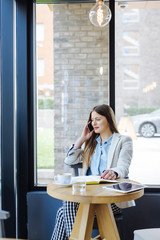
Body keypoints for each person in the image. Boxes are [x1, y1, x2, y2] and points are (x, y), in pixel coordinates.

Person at [51, 104, 134, 240]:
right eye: (92, 120)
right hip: (87, 197)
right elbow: (69, 161)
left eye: (98, 119)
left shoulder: (123, 141)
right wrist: (82, 138)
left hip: (109, 200)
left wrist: (114, 172)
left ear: (108, 119)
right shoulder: (91, 143)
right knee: (64, 208)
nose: (93, 123)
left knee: (66, 205)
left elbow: (123, 167)